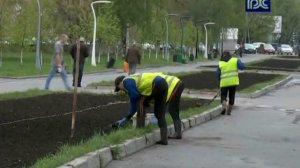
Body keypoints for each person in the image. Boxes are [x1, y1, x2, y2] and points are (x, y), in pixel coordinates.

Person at [114, 73, 169, 145]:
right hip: (163, 84)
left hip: (157, 84)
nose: (121, 90)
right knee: (159, 113)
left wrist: (145, 102)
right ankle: (164, 139)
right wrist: (127, 118)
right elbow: (133, 107)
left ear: (121, 82)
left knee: (141, 102)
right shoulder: (132, 84)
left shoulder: (126, 81)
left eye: (119, 88)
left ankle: (140, 127)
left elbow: (135, 96)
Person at [216, 51, 245, 115]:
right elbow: (242, 67)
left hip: (224, 83)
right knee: (232, 95)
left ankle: (224, 104)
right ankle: (229, 110)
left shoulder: (220, 63)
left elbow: (217, 74)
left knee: (223, 95)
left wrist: (219, 80)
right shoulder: (235, 60)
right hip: (233, 82)